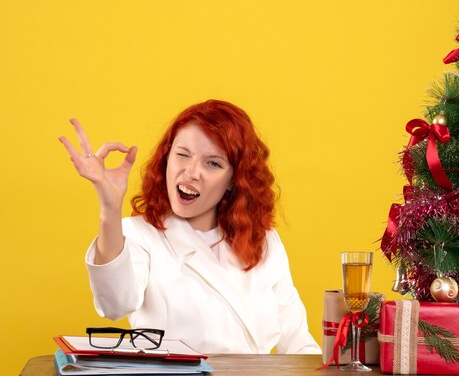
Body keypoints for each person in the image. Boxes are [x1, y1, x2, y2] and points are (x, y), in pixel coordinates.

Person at [59, 100, 321, 355]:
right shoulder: (140, 234)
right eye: (182, 155)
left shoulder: (264, 242)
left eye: (213, 163)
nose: (191, 172)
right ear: (166, 160)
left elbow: (298, 343)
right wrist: (110, 208)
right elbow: (115, 305)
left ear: (234, 179)